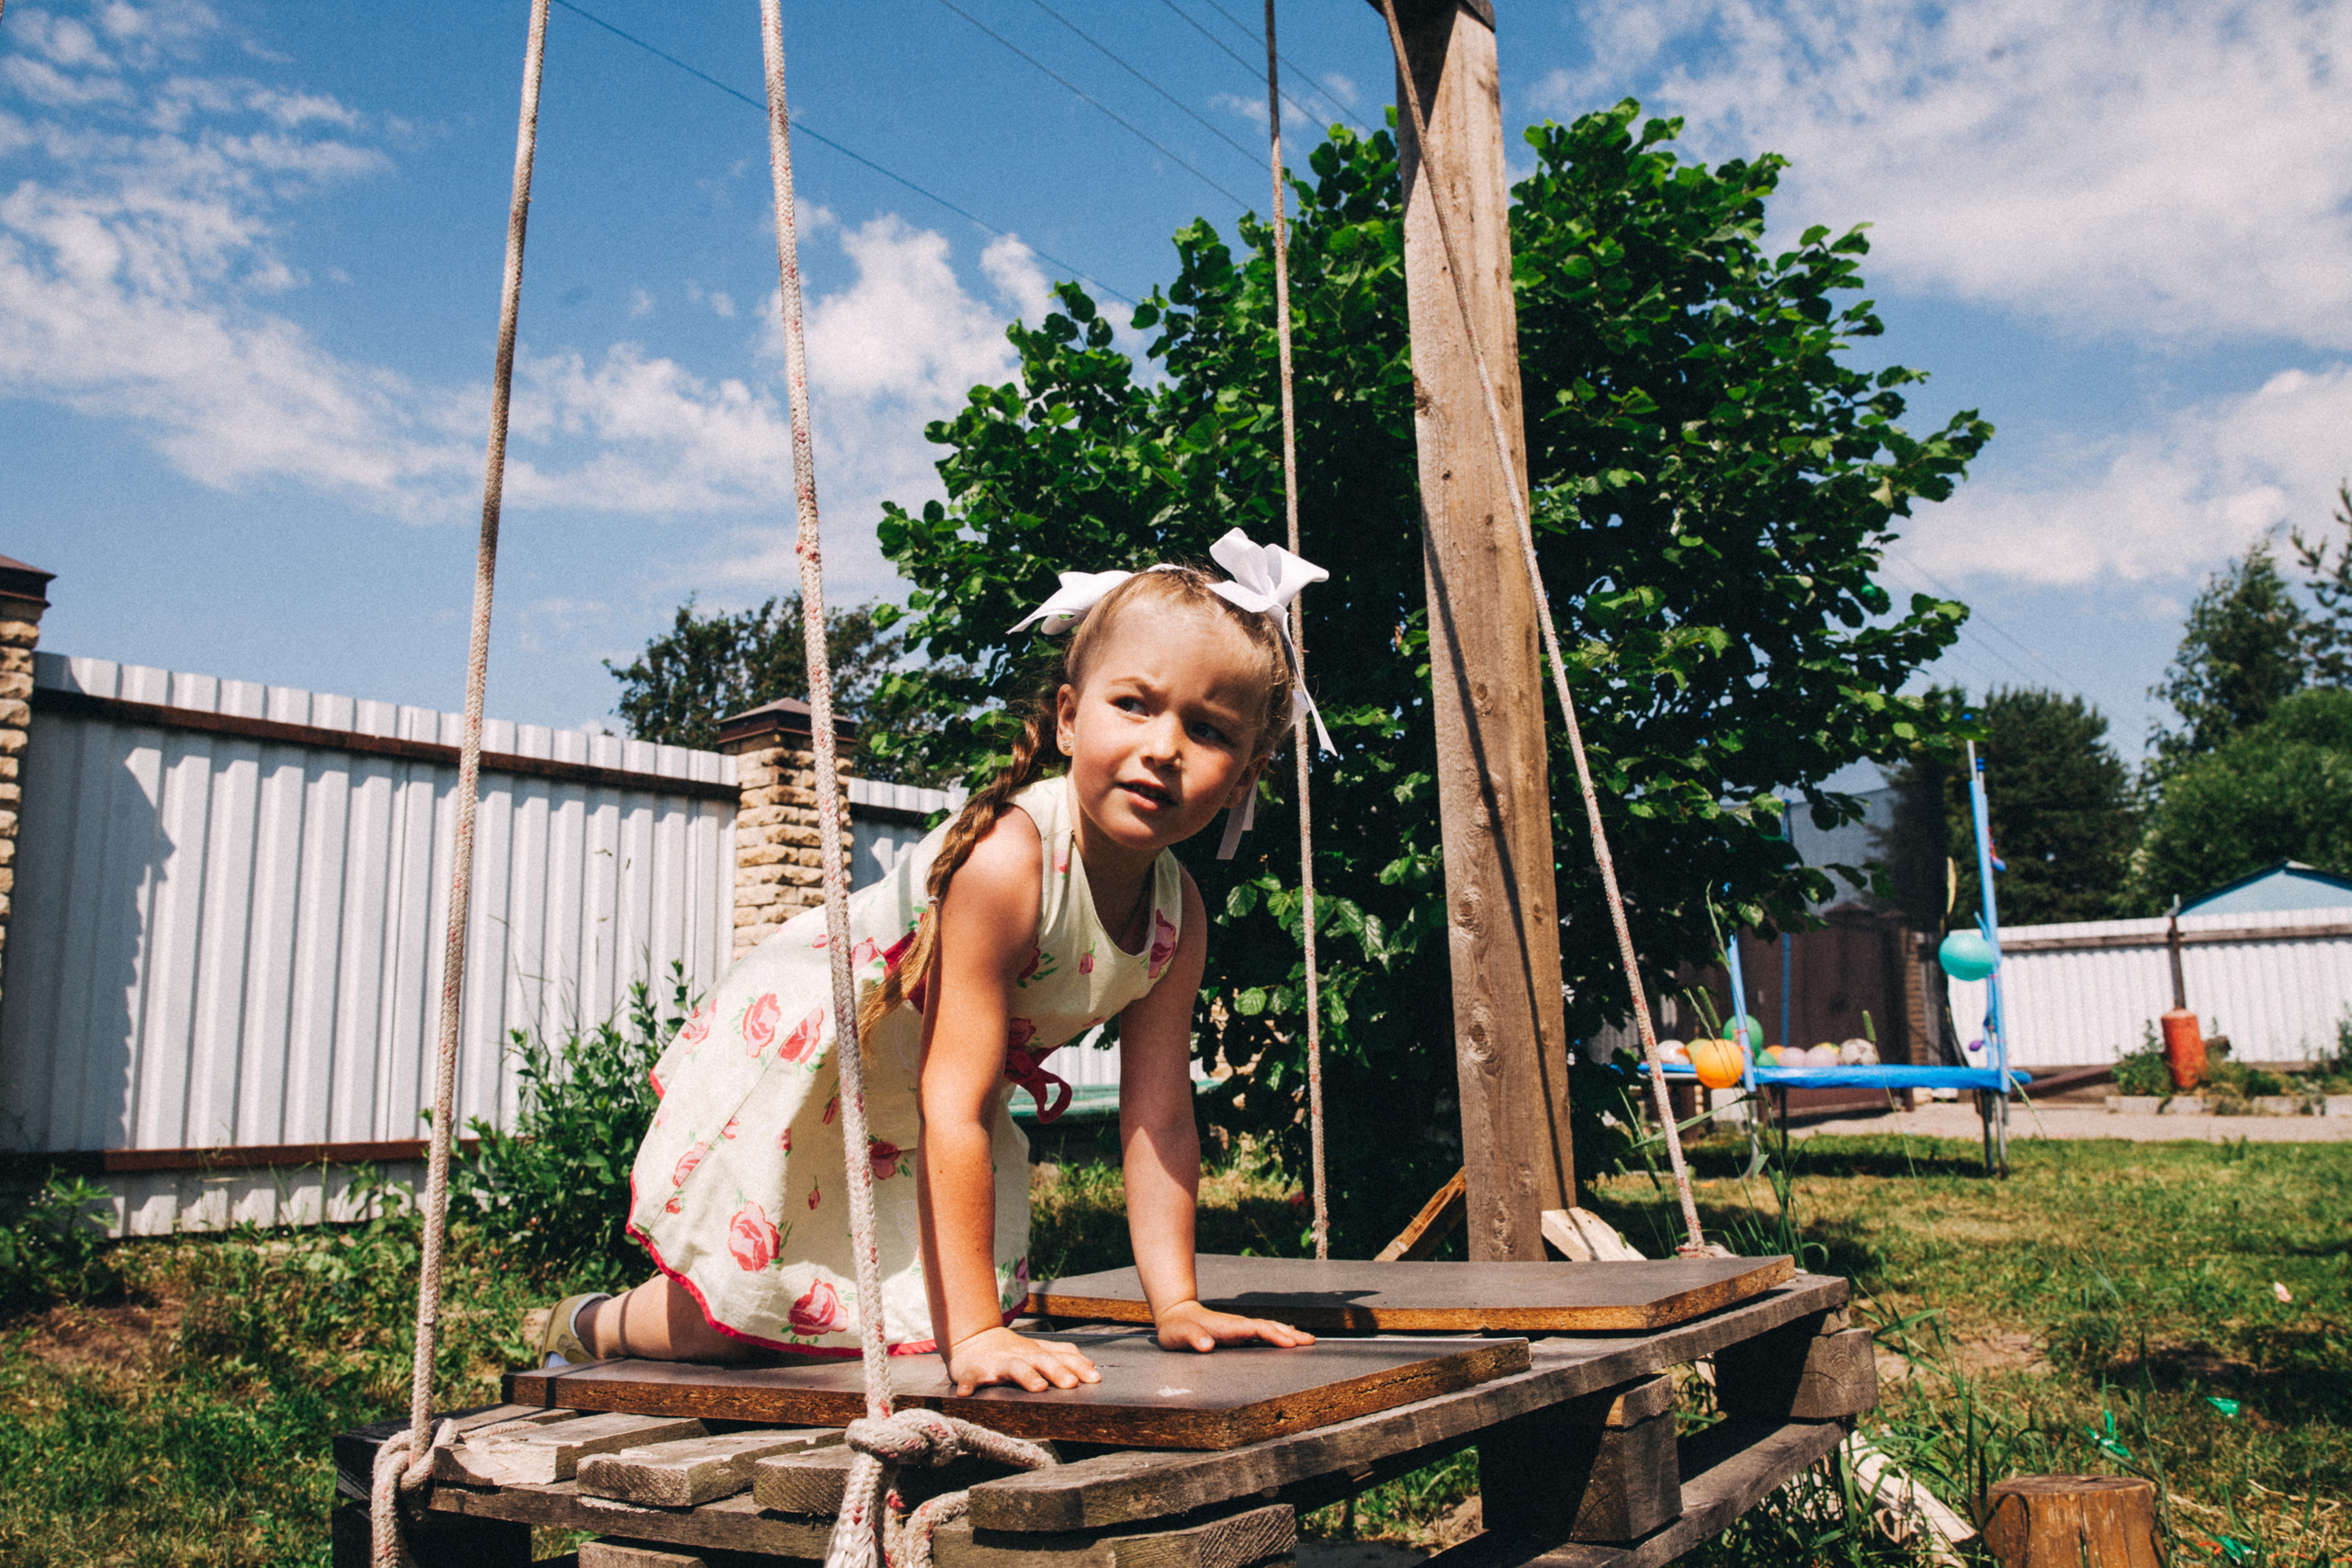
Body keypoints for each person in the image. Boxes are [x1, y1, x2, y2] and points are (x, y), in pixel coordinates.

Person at [537, 534, 1329, 1394]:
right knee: (733, 1316)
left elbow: (1160, 1118)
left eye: (1206, 729)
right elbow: (956, 1103)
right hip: (827, 1054)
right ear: (1069, 717)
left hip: (919, 1093)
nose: (1164, 745)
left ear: (1246, 772)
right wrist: (979, 1330)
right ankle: (588, 1322)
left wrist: (1175, 1302)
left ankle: (636, 1322)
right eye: (1135, 704)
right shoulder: (1010, 862)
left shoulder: (1179, 920)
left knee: (835, 1319)